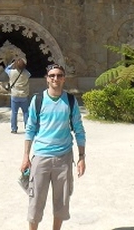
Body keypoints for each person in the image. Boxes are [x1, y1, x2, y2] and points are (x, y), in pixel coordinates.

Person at [21, 64, 86, 230]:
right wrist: (25, 157)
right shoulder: (38, 100)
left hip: (63, 158)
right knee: (35, 200)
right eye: (52, 75)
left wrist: (81, 158)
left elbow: (79, 129)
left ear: (64, 78)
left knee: (62, 202)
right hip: (41, 157)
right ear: (47, 78)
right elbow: (30, 129)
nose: (55, 78)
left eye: (59, 75)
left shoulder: (70, 101)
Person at [5, 58, 31, 134]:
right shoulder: (27, 74)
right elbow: (29, 74)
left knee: (14, 112)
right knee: (26, 112)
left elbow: (6, 69)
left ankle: (14, 129)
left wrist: (12, 64)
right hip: (24, 95)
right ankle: (27, 128)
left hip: (15, 95)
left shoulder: (11, 72)